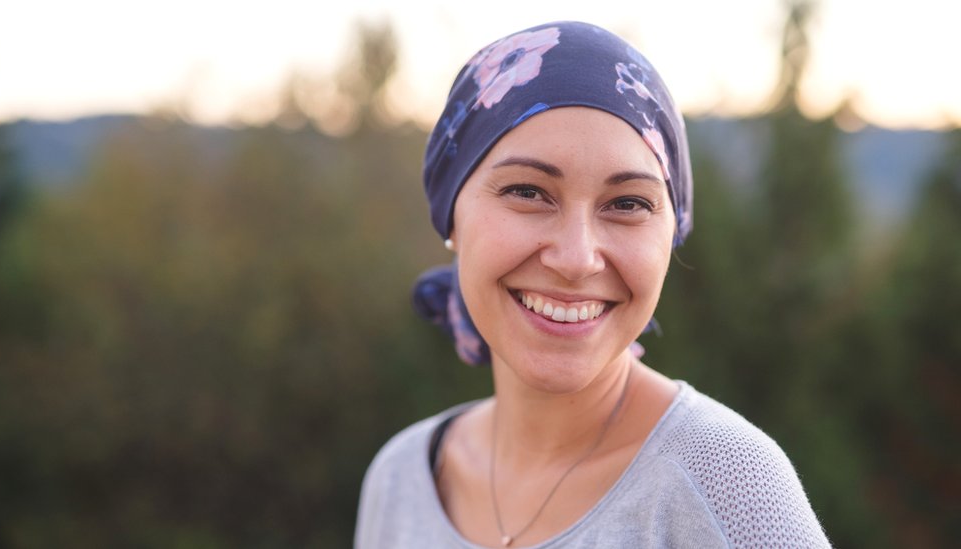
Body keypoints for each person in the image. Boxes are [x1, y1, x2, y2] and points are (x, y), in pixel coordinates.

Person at [355, 21, 830, 548]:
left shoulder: (726, 484)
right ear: (451, 219)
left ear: (672, 234)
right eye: (528, 191)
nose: (577, 258)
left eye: (627, 204)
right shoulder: (400, 479)